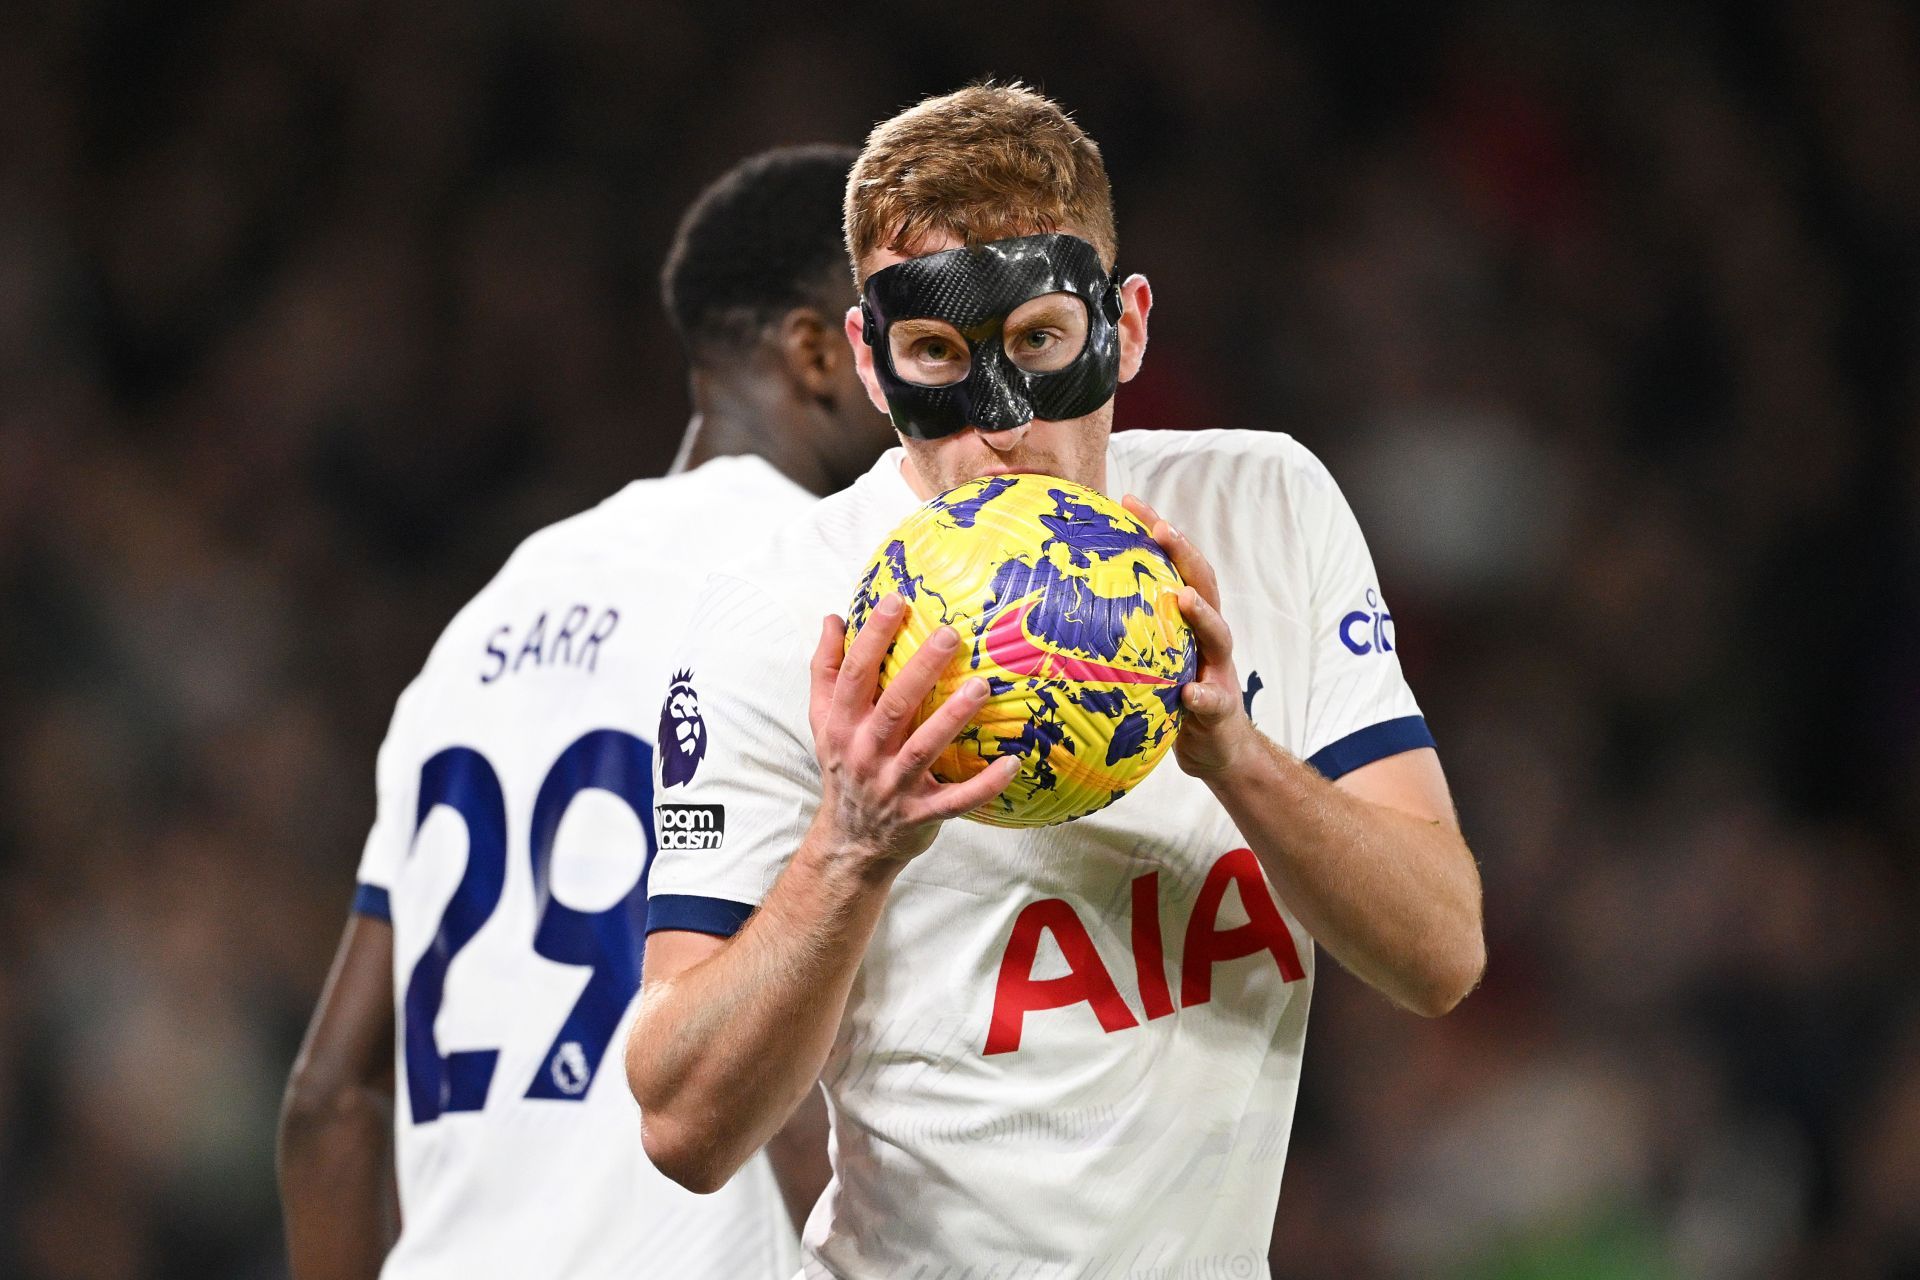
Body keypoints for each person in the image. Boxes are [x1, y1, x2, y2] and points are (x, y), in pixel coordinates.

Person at [625, 85, 1486, 1274]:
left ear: (1125, 327)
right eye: (937, 354)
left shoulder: (1265, 511)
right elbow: (680, 1120)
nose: (1000, 424)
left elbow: (1442, 950)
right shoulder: (779, 615)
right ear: (873, 365)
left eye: (1038, 341)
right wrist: (854, 842)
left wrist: (1235, 753)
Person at [276, 144, 896, 1280]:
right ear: (818, 351)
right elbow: (791, 1068)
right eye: (904, 343)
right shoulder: (823, 590)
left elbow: (328, 1102)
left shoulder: (481, 622)